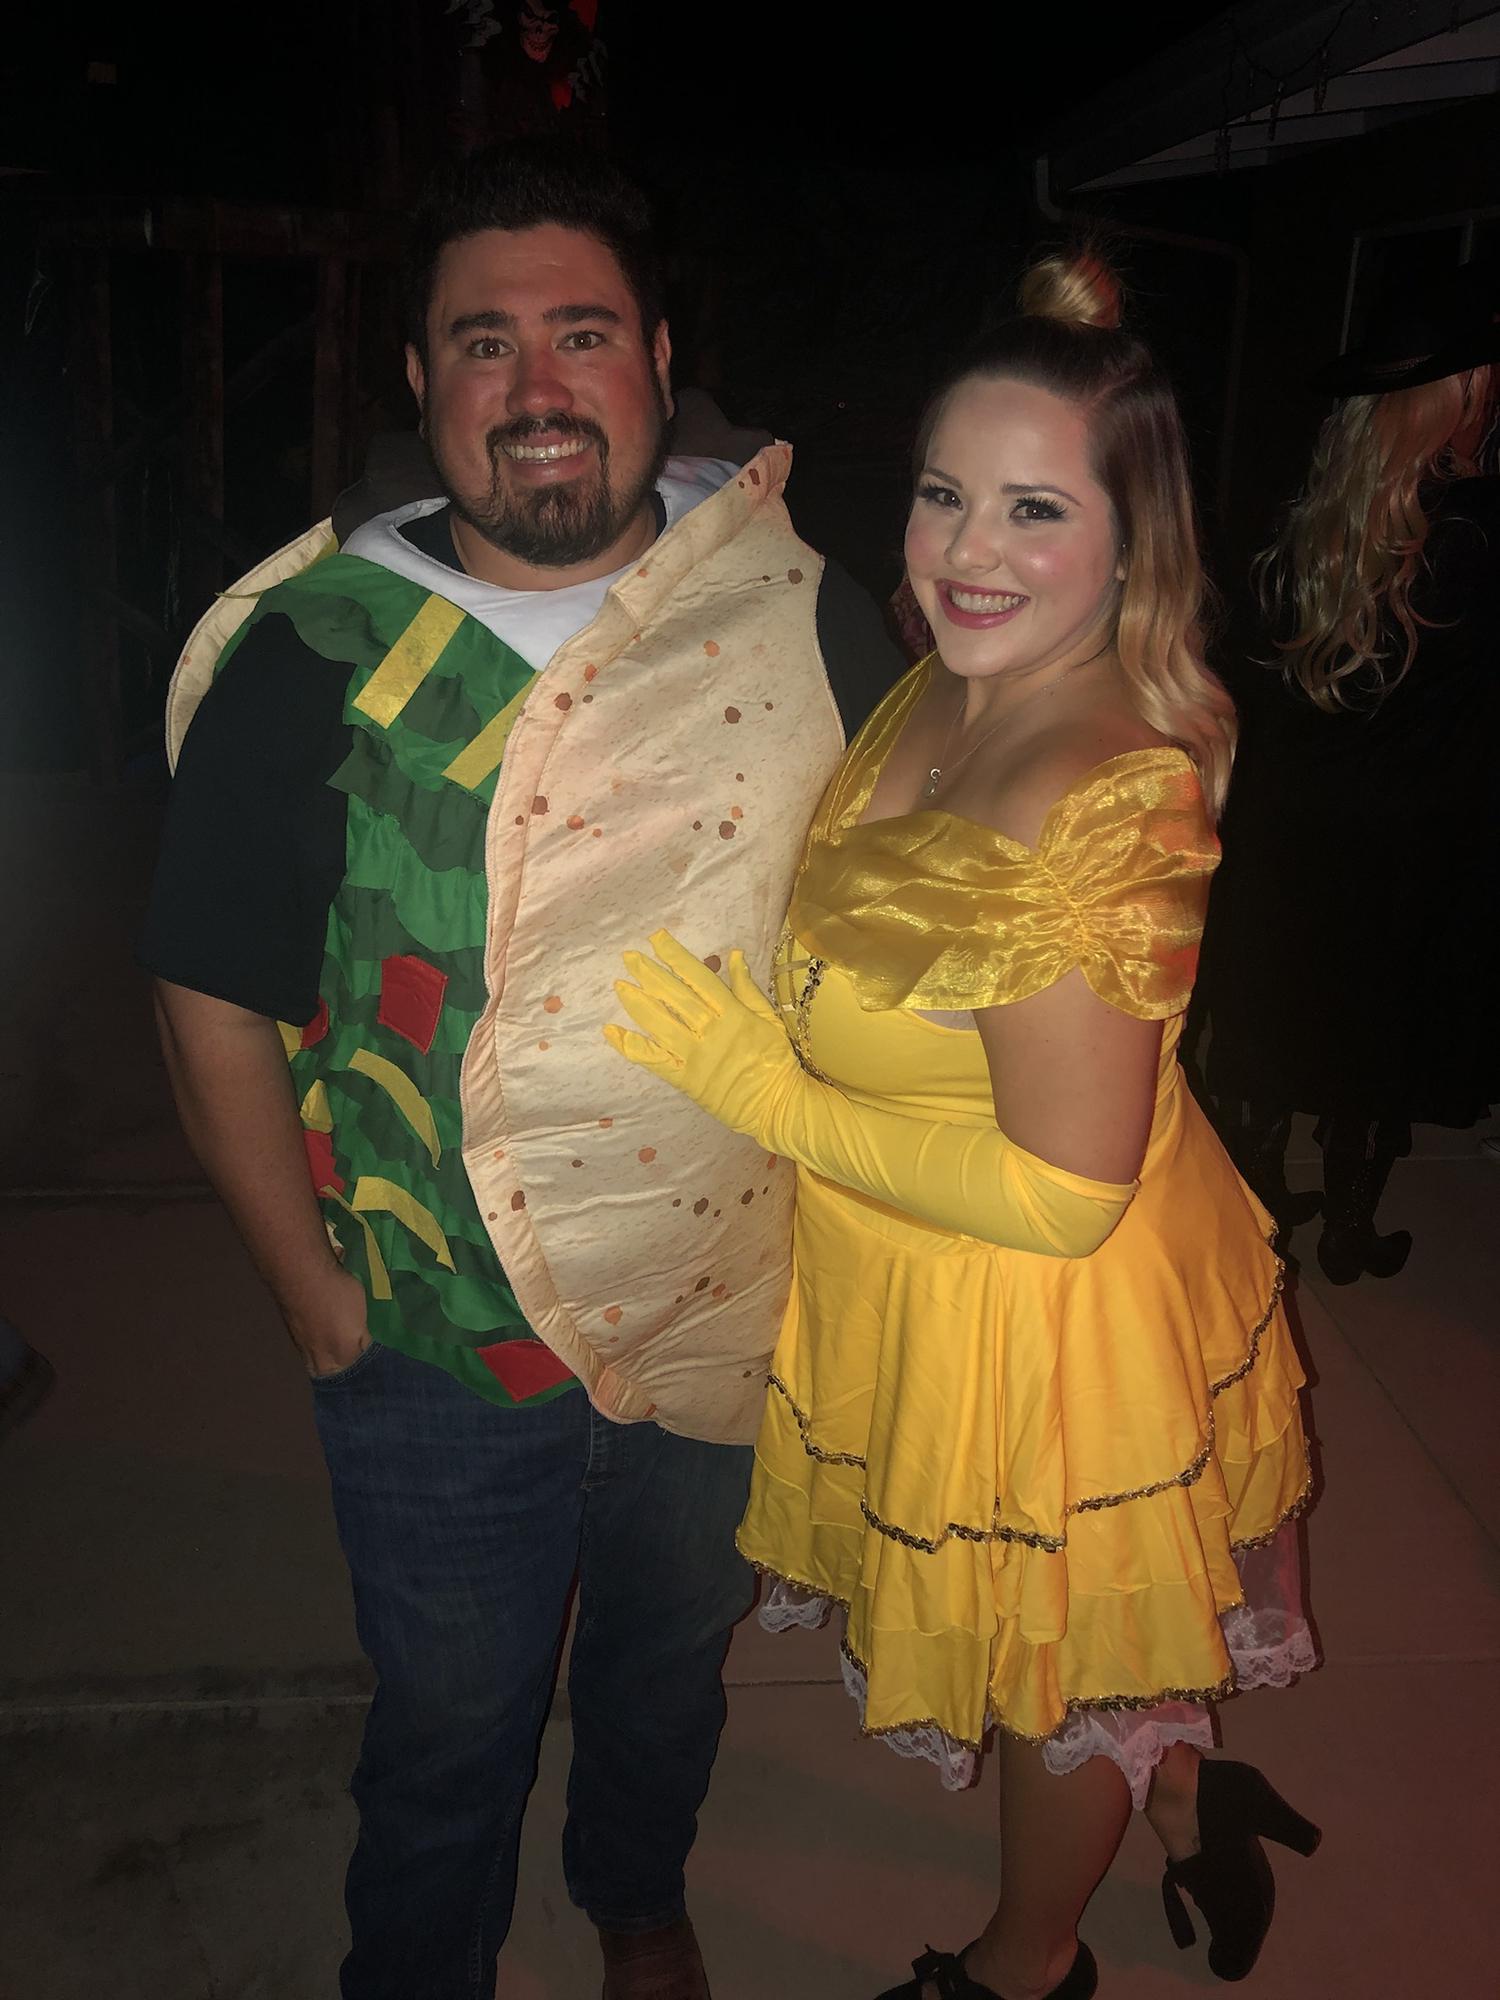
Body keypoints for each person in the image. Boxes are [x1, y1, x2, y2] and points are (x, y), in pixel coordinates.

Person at [139, 142, 901, 2000]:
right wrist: (315, 1304)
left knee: (667, 1668)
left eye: (582, 333)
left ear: (658, 356)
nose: (538, 385)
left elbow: (910, 930)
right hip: (429, 1342)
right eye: (485, 343)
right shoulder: (318, 649)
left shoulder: (793, 606)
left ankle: (636, 1893)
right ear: (422, 380)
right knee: (448, 1731)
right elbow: (207, 993)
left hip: (726, 1302)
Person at [607, 251, 1319, 2000]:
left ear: (1134, 544)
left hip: (1036, 1315)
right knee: (1091, 1659)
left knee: (1055, 1676)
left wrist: (774, 1095)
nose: (967, 551)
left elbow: (1064, 1193)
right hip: (922, 1269)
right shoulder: (953, 676)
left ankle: (1024, 1967)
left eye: (1034, 509)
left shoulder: (1101, 794)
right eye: (944, 494)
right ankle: (1187, 1800)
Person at [1193, 265, 1500, 1282]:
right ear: (1463, 392)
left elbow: (1249, 675)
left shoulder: (1303, 520)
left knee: (1272, 1008)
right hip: (1405, 840)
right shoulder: (1478, 527)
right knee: (1376, 1031)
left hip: (1286, 822)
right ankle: (1350, 1233)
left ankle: (1259, 1209)